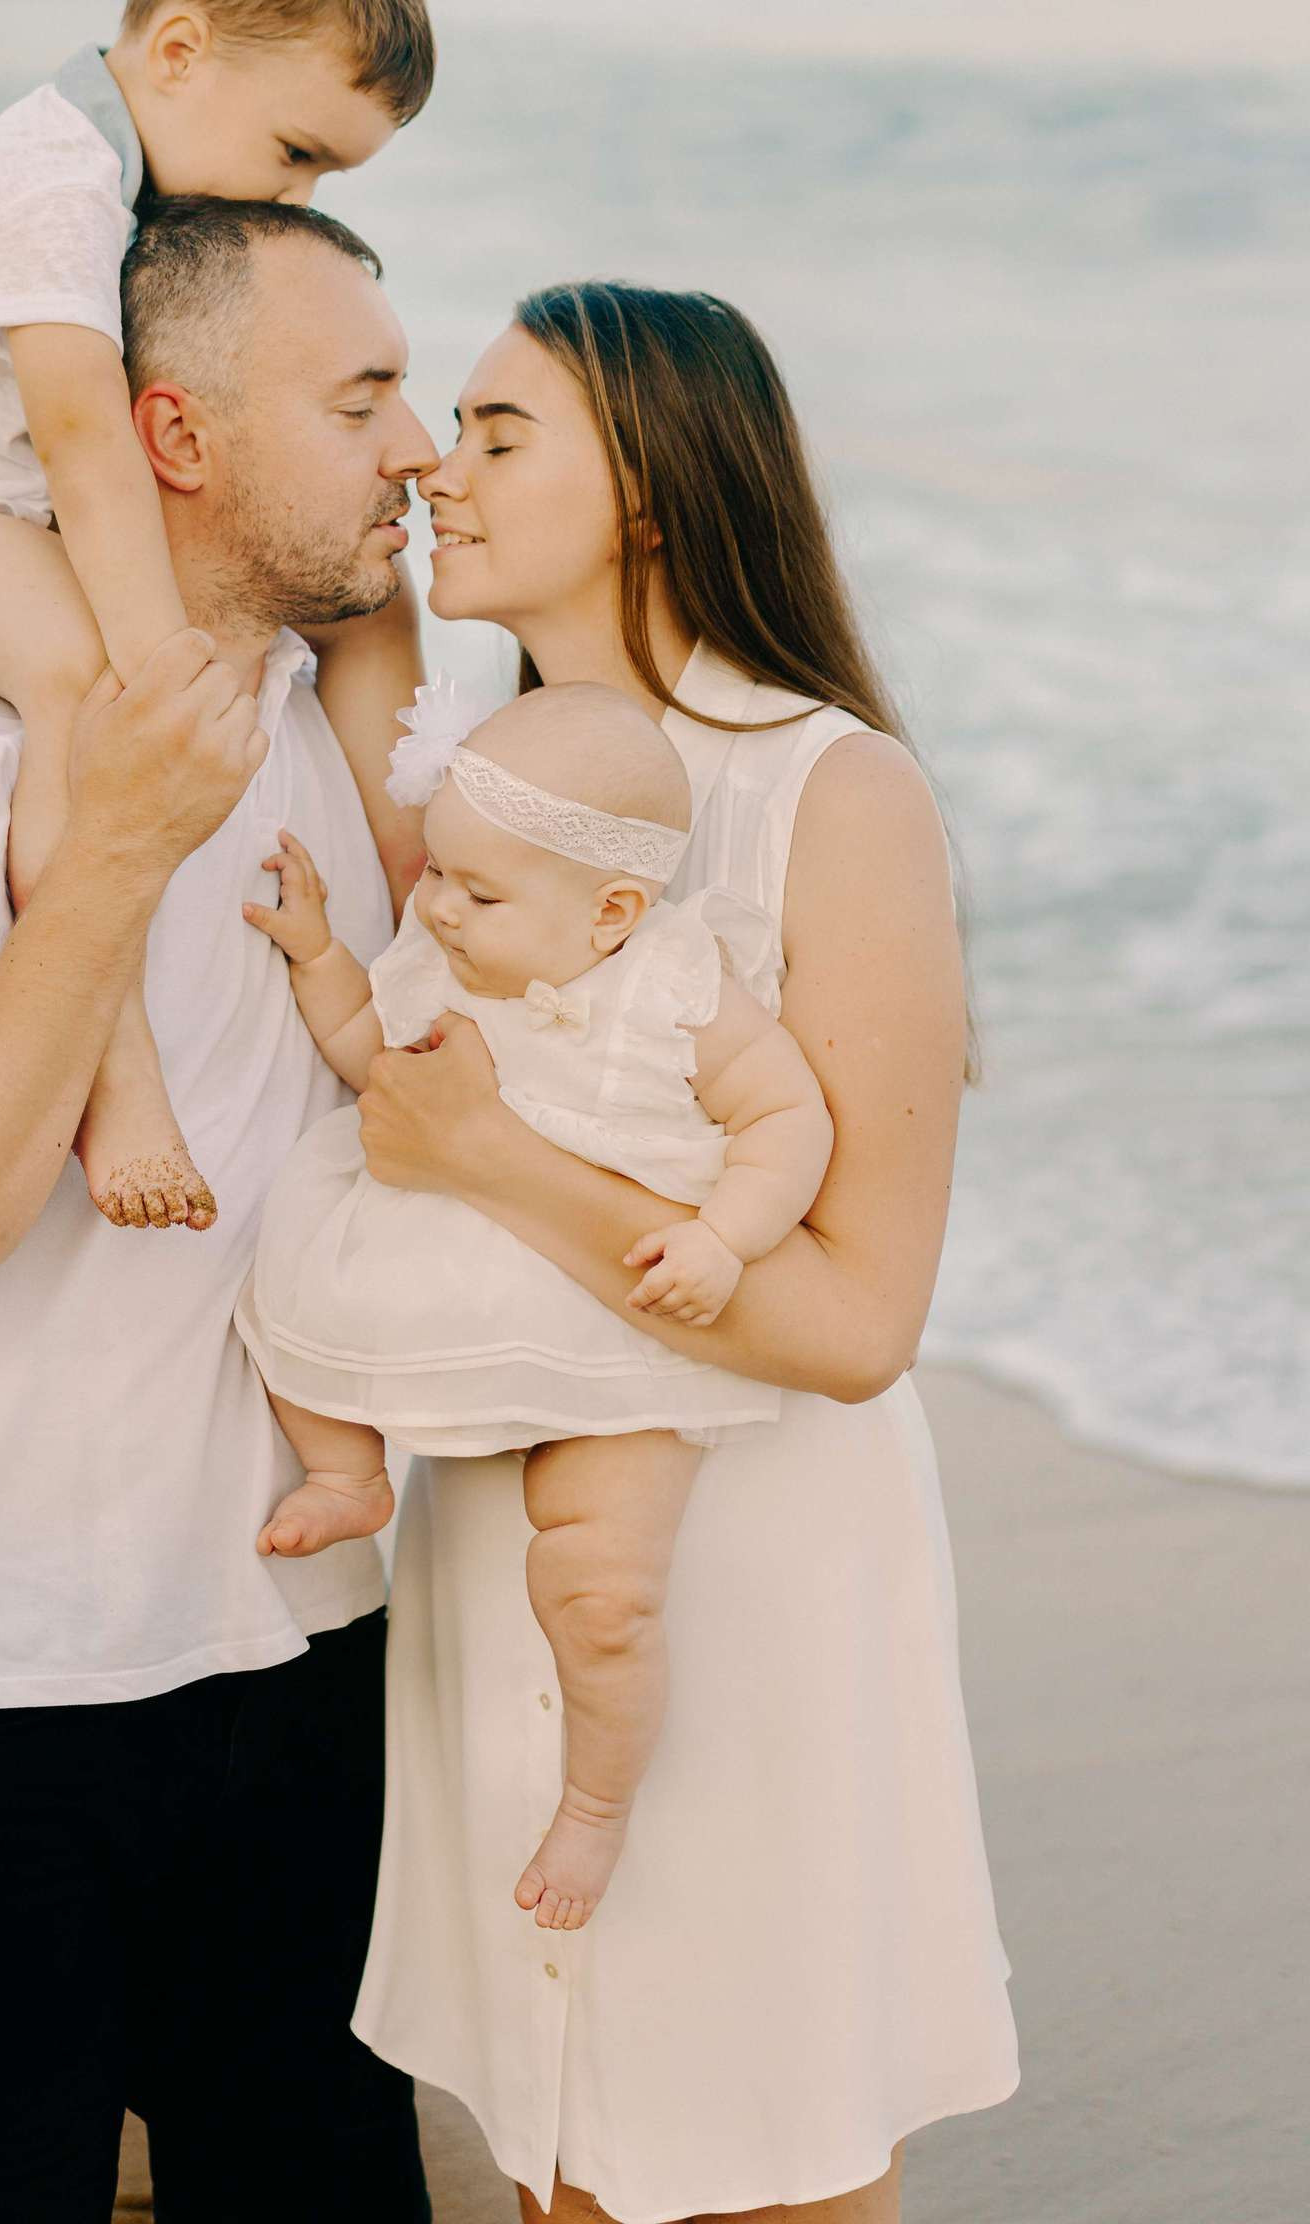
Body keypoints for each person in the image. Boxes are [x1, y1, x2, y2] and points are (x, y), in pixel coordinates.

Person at [0, 197, 436, 2222]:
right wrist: (118, 853)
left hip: (303, 1645)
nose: (413, 445)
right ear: (173, 435)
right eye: (362, 396)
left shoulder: (352, 735)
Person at [349, 286, 1019, 2222]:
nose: (434, 465)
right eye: (439, 425)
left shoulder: (830, 789)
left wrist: (486, 1155)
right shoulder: (478, 785)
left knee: (762, 2149)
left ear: (645, 492)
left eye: (496, 432)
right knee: (564, 2144)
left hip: (741, 1590)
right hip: (507, 1544)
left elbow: (859, 1319)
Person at [0, 0, 434, 1229]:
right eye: (298, 153)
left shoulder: (120, 170)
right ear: (180, 51)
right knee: (85, 683)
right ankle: (117, 1075)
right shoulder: (56, 182)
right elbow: (87, 434)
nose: (304, 200)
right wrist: (159, 663)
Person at [235, 680, 833, 1932]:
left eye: (478, 892)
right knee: (285, 1299)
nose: (440, 906)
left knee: (599, 1591)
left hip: (618, 1328)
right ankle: (350, 1473)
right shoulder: (434, 956)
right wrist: (318, 955)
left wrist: (726, 1239)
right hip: (443, 1272)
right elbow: (363, 1049)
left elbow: (787, 1118)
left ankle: (594, 1808)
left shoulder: (679, 986)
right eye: (435, 875)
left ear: (613, 910)